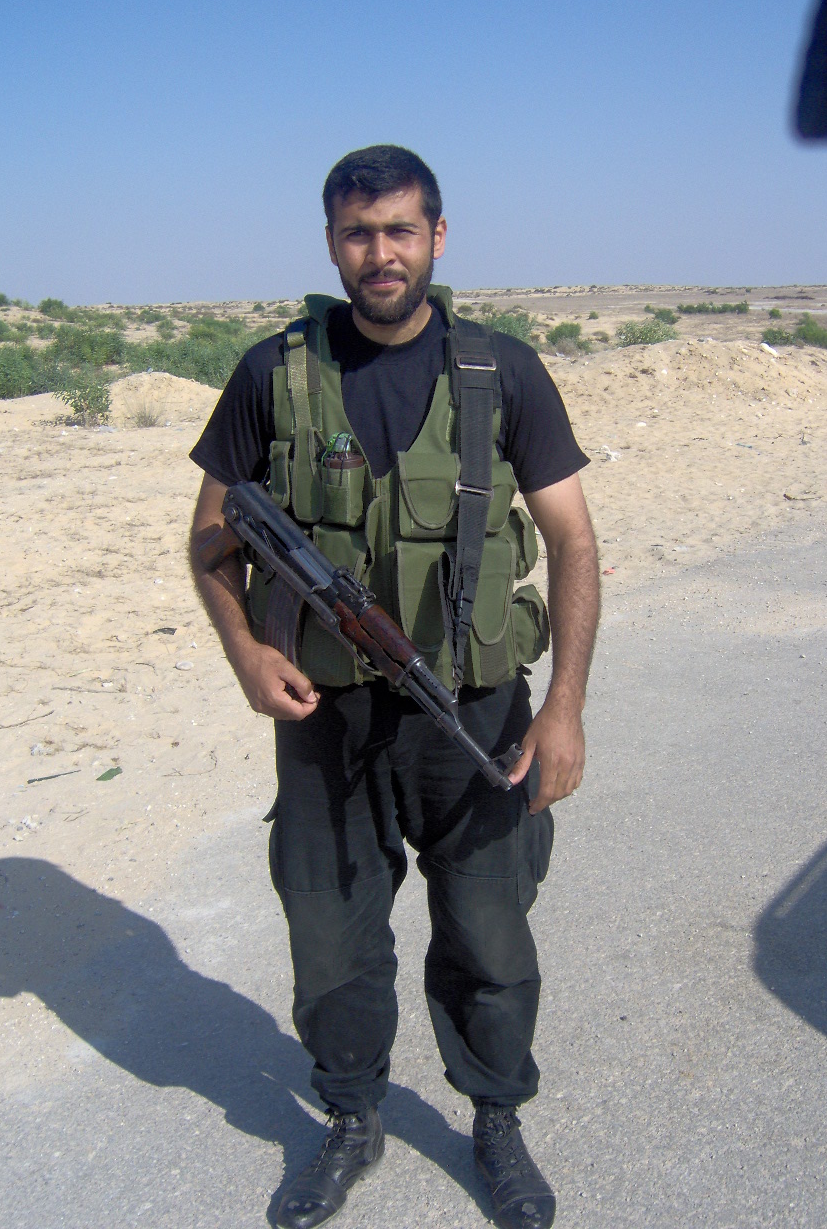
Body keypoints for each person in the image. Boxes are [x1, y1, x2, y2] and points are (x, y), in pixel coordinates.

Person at [188, 145, 599, 1229]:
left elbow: (572, 540)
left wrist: (563, 708)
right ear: (332, 243)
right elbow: (211, 540)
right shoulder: (271, 374)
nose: (381, 253)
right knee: (330, 934)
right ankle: (352, 1115)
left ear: (438, 237)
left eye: (401, 230)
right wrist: (247, 655)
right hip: (326, 719)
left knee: (489, 929)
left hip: (476, 712)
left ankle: (496, 1116)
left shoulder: (503, 372)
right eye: (359, 233)